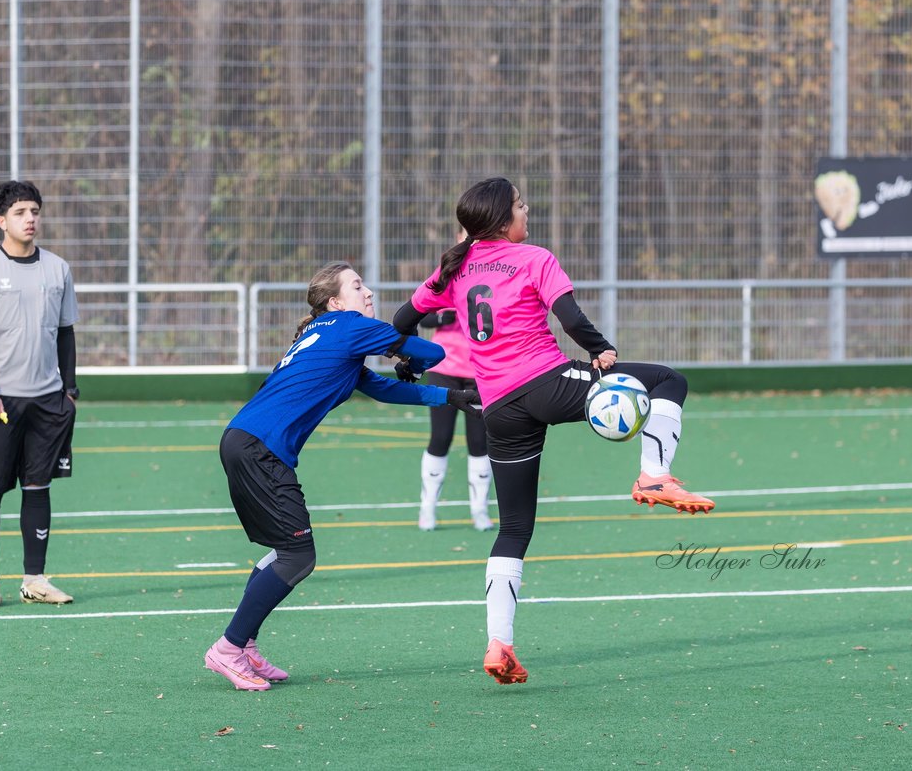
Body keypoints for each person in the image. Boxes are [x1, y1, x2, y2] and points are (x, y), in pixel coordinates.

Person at [391, 176, 715, 686]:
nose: (528, 210)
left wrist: (405, 358)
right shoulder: (534, 257)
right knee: (669, 380)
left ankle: (500, 644)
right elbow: (570, 317)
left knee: (514, 529)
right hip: (545, 383)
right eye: (521, 204)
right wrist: (600, 349)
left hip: (498, 408)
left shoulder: (454, 267)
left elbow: (403, 318)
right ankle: (654, 474)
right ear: (502, 220)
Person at [204, 262, 481, 691]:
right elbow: (435, 354)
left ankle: (244, 644)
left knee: (285, 551)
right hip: (259, 448)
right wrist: (405, 353)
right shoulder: (349, 325)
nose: (368, 292)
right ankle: (228, 647)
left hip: (244, 440)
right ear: (335, 302)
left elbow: (383, 387)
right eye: (357, 286)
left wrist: (448, 395)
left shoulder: (327, 332)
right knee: (298, 557)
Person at [0, 180, 79, 608]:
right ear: (1, 221)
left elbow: (66, 334)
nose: (31, 219)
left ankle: (35, 579)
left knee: (37, 487)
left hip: (48, 401)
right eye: (21, 212)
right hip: (0, 402)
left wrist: (70, 390)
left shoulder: (58, 269)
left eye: (35, 211)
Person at [417, 229, 493, 532]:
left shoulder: (496, 271)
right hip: (444, 367)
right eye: (468, 233)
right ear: (459, 234)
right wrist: (442, 318)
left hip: (480, 371)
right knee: (440, 438)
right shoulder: (448, 269)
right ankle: (428, 510)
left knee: (480, 442)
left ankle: (480, 511)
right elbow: (422, 315)